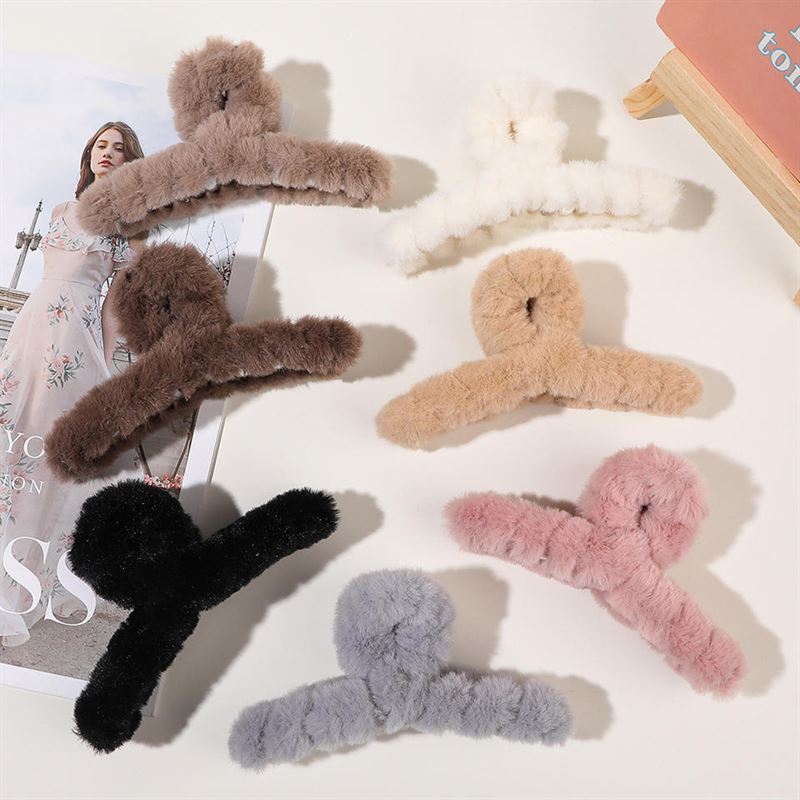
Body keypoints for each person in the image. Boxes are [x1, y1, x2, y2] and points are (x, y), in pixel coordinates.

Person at [0, 122, 147, 646]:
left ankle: (23, 586)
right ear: (90, 154)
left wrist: (105, 361)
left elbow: (117, 303)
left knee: (48, 458)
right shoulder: (61, 211)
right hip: (29, 333)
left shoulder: (130, 223)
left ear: (130, 161)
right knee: (11, 446)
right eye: (101, 145)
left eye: (119, 148)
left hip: (75, 345)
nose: (108, 153)